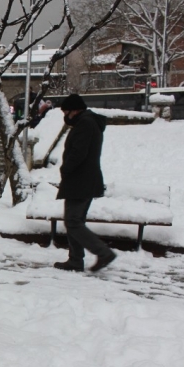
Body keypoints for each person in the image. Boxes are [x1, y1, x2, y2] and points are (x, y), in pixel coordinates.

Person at [54, 94, 116, 273]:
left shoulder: (85, 123)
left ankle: (103, 253)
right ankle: (75, 260)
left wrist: (66, 169)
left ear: (74, 110)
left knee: (73, 221)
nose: (66, 116)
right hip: (82, 179)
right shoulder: (88, 122)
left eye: (66, 112)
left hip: (81, 179)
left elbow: (79, 152)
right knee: (74, 220)